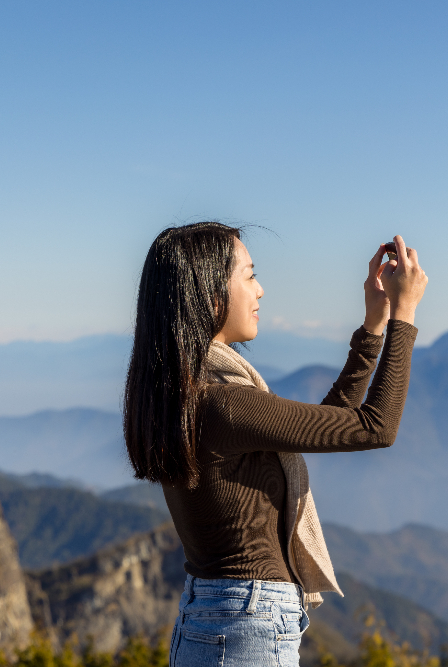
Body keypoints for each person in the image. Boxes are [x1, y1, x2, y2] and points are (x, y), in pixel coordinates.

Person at [123, 221, 427, 667]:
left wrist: (373, 328)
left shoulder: (188, 394)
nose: (260, 290)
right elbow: (374, 427)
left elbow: (328, 425)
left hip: (219, 621)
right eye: (248, 275)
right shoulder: (225, 404)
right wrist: (405, 315)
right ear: (209, 294)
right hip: (245, 628)